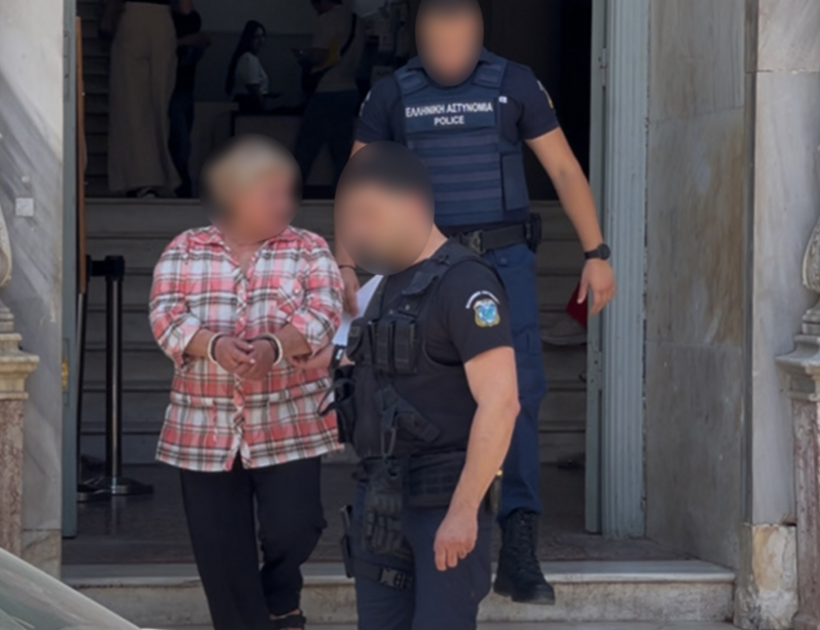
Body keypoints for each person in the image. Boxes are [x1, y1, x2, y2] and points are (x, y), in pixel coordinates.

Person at [340, 0, 617, 604]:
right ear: (420, 40)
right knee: (410, 391)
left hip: (503, 265)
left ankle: (519, 545)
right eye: (436, 45)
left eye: (459, 44)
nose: (448, 56)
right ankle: (405, 524)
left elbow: (563, 170)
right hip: (420, 269)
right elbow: (358, 181)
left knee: (518, 399)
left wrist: (596, 252)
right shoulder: (393, 94)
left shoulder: (514, 84)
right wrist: (345, 264)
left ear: (478, 37)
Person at [310, 141, 520, 630]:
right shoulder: (386, 284)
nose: (358, 232)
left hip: (441, 500)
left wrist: (463, 511)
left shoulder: (466, 283)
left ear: (413, 205)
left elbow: (502, 402)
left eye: (369, 215)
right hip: (381, 500)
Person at [148, 135, 344, 630]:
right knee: (220, 550)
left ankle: (280, 591)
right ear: (232, 193)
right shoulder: (185, 250)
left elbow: (323, 314)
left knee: (297, 525)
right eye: (271, 193)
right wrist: (213, 345)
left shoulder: (308, 248)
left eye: (288, 192)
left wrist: (273, 347)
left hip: (289, 421)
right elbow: (165, 316)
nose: (285, 203)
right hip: (204, 428)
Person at [102, 0, 182, 197]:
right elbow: (185, 7)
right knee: (159, 107)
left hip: (133, 16)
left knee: (132, 104)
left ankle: (140, 178)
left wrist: (108, 18)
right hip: (163, 20)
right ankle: (164, 176)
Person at [293, 0, 366, 187]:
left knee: (305, 149)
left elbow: (319, 55)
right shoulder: (356, 21)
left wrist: (304, 58)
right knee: (341, 151)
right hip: (350, 90)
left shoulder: (327, 19)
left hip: (327, 90)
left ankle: (290, 195)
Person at [169, 1, 210, 198]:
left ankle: (181, 183)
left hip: (185, 85)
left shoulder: (192, 18)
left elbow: (202, 41)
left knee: (183, 138)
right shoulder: (168, 17)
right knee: (180, 140)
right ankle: (179, 183)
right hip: (174, 86)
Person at [226, 21, 272, 114]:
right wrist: (265, 110)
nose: (261, 40)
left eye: (262, 36)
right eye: (257, 37)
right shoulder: (249, 59)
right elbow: (253, 89)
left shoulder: (248, 58)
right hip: (251, 107)